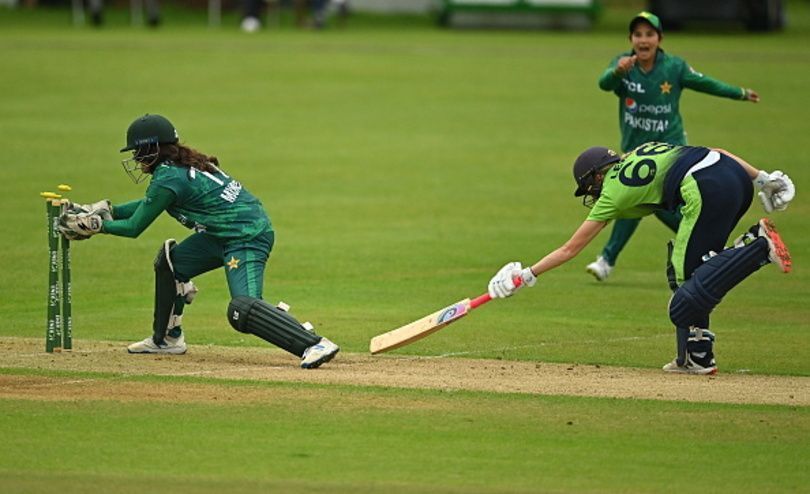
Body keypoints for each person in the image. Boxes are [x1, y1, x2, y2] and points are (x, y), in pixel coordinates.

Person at [58, 114, 339, 369]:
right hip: (219, 235)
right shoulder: (177, 167)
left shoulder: (169, 177)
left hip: (246, 237)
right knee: (171, 263)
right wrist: (109, 210)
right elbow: (149, 204)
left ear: (152, 149)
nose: (136, 158)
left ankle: (313, 343)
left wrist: (95, 225)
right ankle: (167, 339)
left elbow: (134, 227)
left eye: (138, 151)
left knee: (243, 307)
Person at [487, 142, 794, 374]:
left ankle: (756, 247)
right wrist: (763, 180)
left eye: (589, 185)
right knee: (692, 270)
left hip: (705, 188)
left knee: (683, 298)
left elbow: (570, 249)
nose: (591, 192)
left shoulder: (612, 192)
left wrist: (526, 275)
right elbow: (715, 151)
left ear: (597, 175)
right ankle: (697, 356)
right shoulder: (640, 150)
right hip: (733, 178)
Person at [586, 11, 760, 282]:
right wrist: (616, 71)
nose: (643, 40)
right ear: (631, 39)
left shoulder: (674, 67)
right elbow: (603, 84)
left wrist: (739, 93)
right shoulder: (623, 66)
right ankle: (714, 252)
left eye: (649, 34)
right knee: (646, 203)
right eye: (638, 35)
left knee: (643, 202)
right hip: (635, 153)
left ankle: (608, 259)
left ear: (660, 38)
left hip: (672, 155)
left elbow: (706, 83)